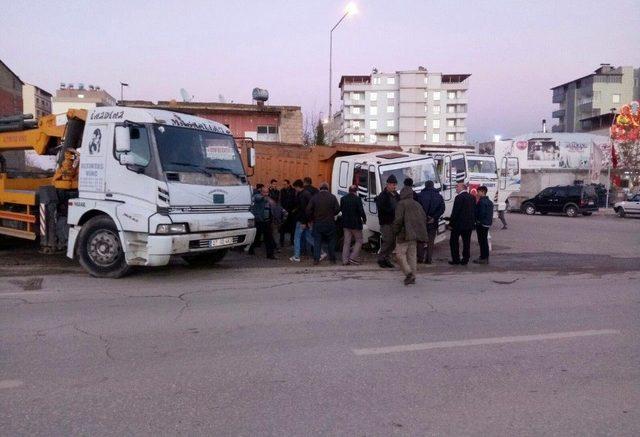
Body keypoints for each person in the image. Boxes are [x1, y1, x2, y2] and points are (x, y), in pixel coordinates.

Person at [393, 185, 428, 285]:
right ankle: (413, 276)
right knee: (412, 256)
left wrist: (395, 230)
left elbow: (398, 220)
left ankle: (408, 273)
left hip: (403, 234)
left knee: (399, 255)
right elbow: (423, 217)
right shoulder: (417, 204)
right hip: (414, 234)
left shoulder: (401, 204)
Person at [306, 182, 340, 265]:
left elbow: (308, 210)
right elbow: (337, 209)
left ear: (319, 188)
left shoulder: (315, 197)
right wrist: (332, 214)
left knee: (317, 241)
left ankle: (316, 259)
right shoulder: (332, 197)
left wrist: (311, 218)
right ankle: (332, 259)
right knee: (331, 241)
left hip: (318, 223)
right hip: (330, 223)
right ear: (328, 188)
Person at [417, 180, 445, 264]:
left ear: (425, 186)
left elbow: (418, 208)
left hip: (422, 222)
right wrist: (434, 217)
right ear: (433, 186)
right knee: (430, 241)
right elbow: (442, 209)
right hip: (433, 223)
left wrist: (424, 217)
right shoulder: (439, 196)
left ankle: (420, 258)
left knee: (420, 241)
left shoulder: (420, 195)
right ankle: (428, 259)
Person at [448, 182, 475, 265]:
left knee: (454, 241)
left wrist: (451, 223)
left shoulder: (459, 197)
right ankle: (465, 259)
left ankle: (456, 259)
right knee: (466, 242)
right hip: (468, 224)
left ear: (462, 188)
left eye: (457, 187)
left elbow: (455, 212)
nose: (456, 188)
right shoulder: (472, 197)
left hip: (458, 224)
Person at [375, 174, 399, 268]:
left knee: (393, 242)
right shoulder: (383, 196)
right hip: (386, 222)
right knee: (387, 241)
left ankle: (386, 258)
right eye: (393, 184)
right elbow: (382, 208)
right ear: (388, 184)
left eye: (395, 184)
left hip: (394, 222)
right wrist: (393, 210)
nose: (394, 186)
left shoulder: (396, 195)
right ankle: (381, 258)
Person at [340, 184, 367, 265]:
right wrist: (364, 219)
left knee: (346, 242)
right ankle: (353, 257)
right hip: (355, 224)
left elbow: (341, 209)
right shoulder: (357, 199)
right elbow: (361, 211)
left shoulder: (343, 199)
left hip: (345, 223)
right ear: (356, 191)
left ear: (349, 190)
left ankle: (345, 260)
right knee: (359, 240)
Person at [248, 186, 276, 259]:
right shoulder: (257, 196)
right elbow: (257, 198)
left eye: (267, 192)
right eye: (264, 192)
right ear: (261, 192)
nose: (266, 194)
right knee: (256, 237)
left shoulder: (268, 199)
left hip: (267, 221)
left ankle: (270, 255)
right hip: (259, 221)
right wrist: (266, 198)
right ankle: (250, 249)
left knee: (268, 238)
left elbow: (272, 207)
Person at [289, 179, 311, 262]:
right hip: (306, 219)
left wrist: (303, 222)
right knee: (309, 237)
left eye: (295, 187)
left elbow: (303, 209)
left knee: (296, 238)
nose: (295, 189)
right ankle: (320, 252)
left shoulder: (302, 195)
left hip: (301, 220)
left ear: (298, 187)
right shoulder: (307, 193)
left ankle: (297, 256)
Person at [474, 186, 493, 264]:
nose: (477, 193)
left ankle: (483, 257)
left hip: (482, 224)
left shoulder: (482, 202)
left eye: (478, 192)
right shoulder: (489, 201)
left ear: (482, 192)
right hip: (487, 223)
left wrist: (478, 221)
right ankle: (485, 257)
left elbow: (481, 213)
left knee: (482, 241)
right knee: (484, 241)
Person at [279, 179, 297, 246]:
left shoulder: (293, 191)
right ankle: (281, 242)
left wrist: (293, 210)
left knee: (292, 228)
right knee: (282, 227)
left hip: (292, 211)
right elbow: (280, 200)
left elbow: (295, 201)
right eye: (283, 184)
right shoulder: (282, 191)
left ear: (289, 184)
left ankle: (292, 241)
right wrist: (282, 209)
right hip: (284, 211)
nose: (284, 186)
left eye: (285, 184)